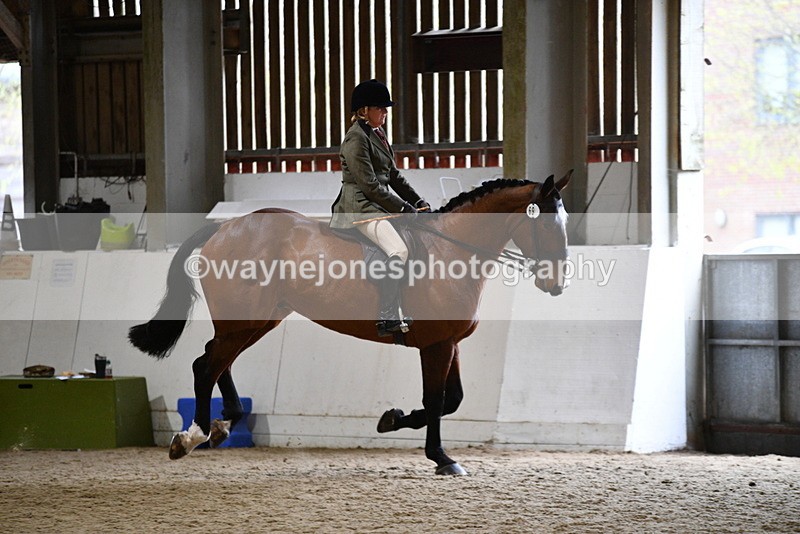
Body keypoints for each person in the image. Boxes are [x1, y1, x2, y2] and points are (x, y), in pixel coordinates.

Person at [330, 79, 430, 337]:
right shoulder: (355, 138)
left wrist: (418, 201)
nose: (385, 113)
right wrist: (405, 208)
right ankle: (386, 317)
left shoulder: (378, 135)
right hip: (361, 207)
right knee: (398, 250)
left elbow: (393, 176)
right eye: (381, 109)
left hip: (378, 205)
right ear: (364, 110)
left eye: (386, 109)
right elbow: (370, 185)